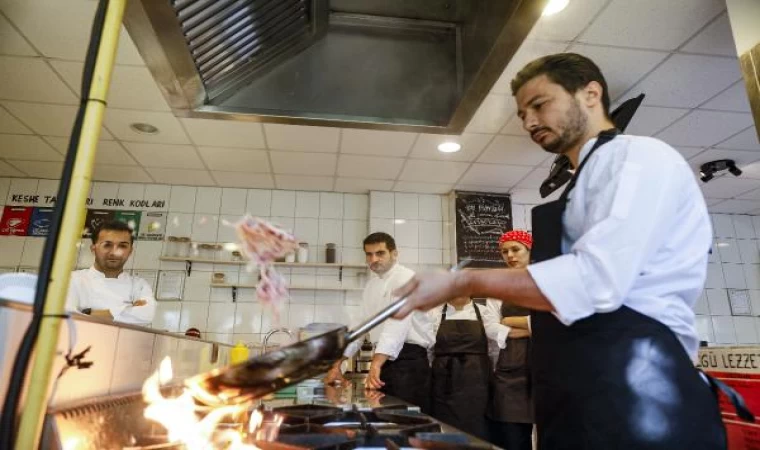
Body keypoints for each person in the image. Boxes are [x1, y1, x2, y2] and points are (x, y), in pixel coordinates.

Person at [392, 53, 745, 449]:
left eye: (540, 105)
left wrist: (464, 280)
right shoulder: (582, 183)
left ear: (591, 93)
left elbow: (595, 281)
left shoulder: (636, 158)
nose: (528, 121)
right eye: (522, 113)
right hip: (581, 396)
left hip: (643, 400)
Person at [324, 232, 434, 411]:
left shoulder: (406, 278)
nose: (374, 259)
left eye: (380, 253)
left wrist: (375, 363)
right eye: (369, 254)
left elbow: (397, 323)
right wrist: (337, 363)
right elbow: (358, 327)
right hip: (385, 362)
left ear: (394, 254)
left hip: (409, 361)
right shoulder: (371, 286)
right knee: (386, 418)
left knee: (408, 421)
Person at [429, 295, 506, 440]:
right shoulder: (435, 313)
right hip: (444, 384)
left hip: (478, 383)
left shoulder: (483, 313)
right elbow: (429, 350)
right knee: (447, 433)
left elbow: (495, 349)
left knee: (479, 431)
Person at [486, 230, 534, 450]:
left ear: (528, 250)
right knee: (513, 440)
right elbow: (491, 326)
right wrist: (531, 327)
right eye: (505, 251)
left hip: (546, 366)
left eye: (516, 249)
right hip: (510, 370)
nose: (510, 255)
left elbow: (556, 321)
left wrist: (509, 319)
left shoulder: (544, 282)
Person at [66, 220, 156, 326]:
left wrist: (91, 313)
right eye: (107, 245)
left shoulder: (139, 285)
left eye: (122, 246)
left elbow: (147, 315)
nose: (114, 252)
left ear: (130, 251)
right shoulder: (72, 280)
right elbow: (69, 315)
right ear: (93, 249)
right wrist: (129, 310)